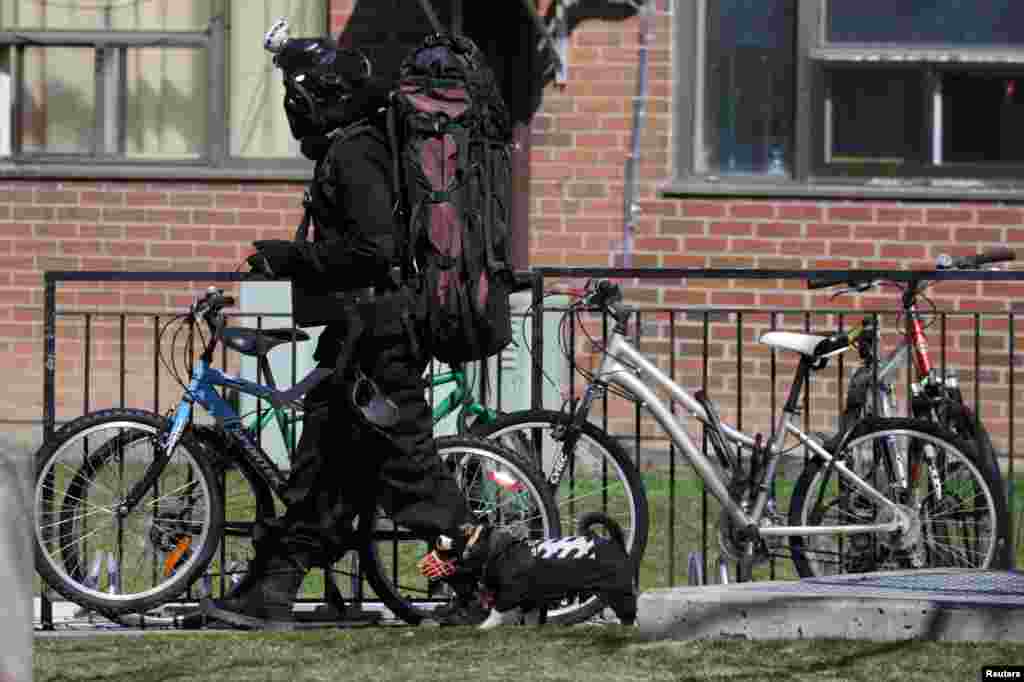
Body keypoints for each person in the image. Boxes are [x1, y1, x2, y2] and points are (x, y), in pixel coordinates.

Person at [199, 26, 483, 630]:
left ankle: (481, 588)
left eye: (293, 97)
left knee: (413, 478)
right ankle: (268, 594)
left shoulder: (356, 154)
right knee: (321, 478)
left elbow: (372, 250)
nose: (290, 109)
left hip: (381, 342)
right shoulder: (355, 147)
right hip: (358, 338)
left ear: (315, 96)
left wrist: (290, 256)